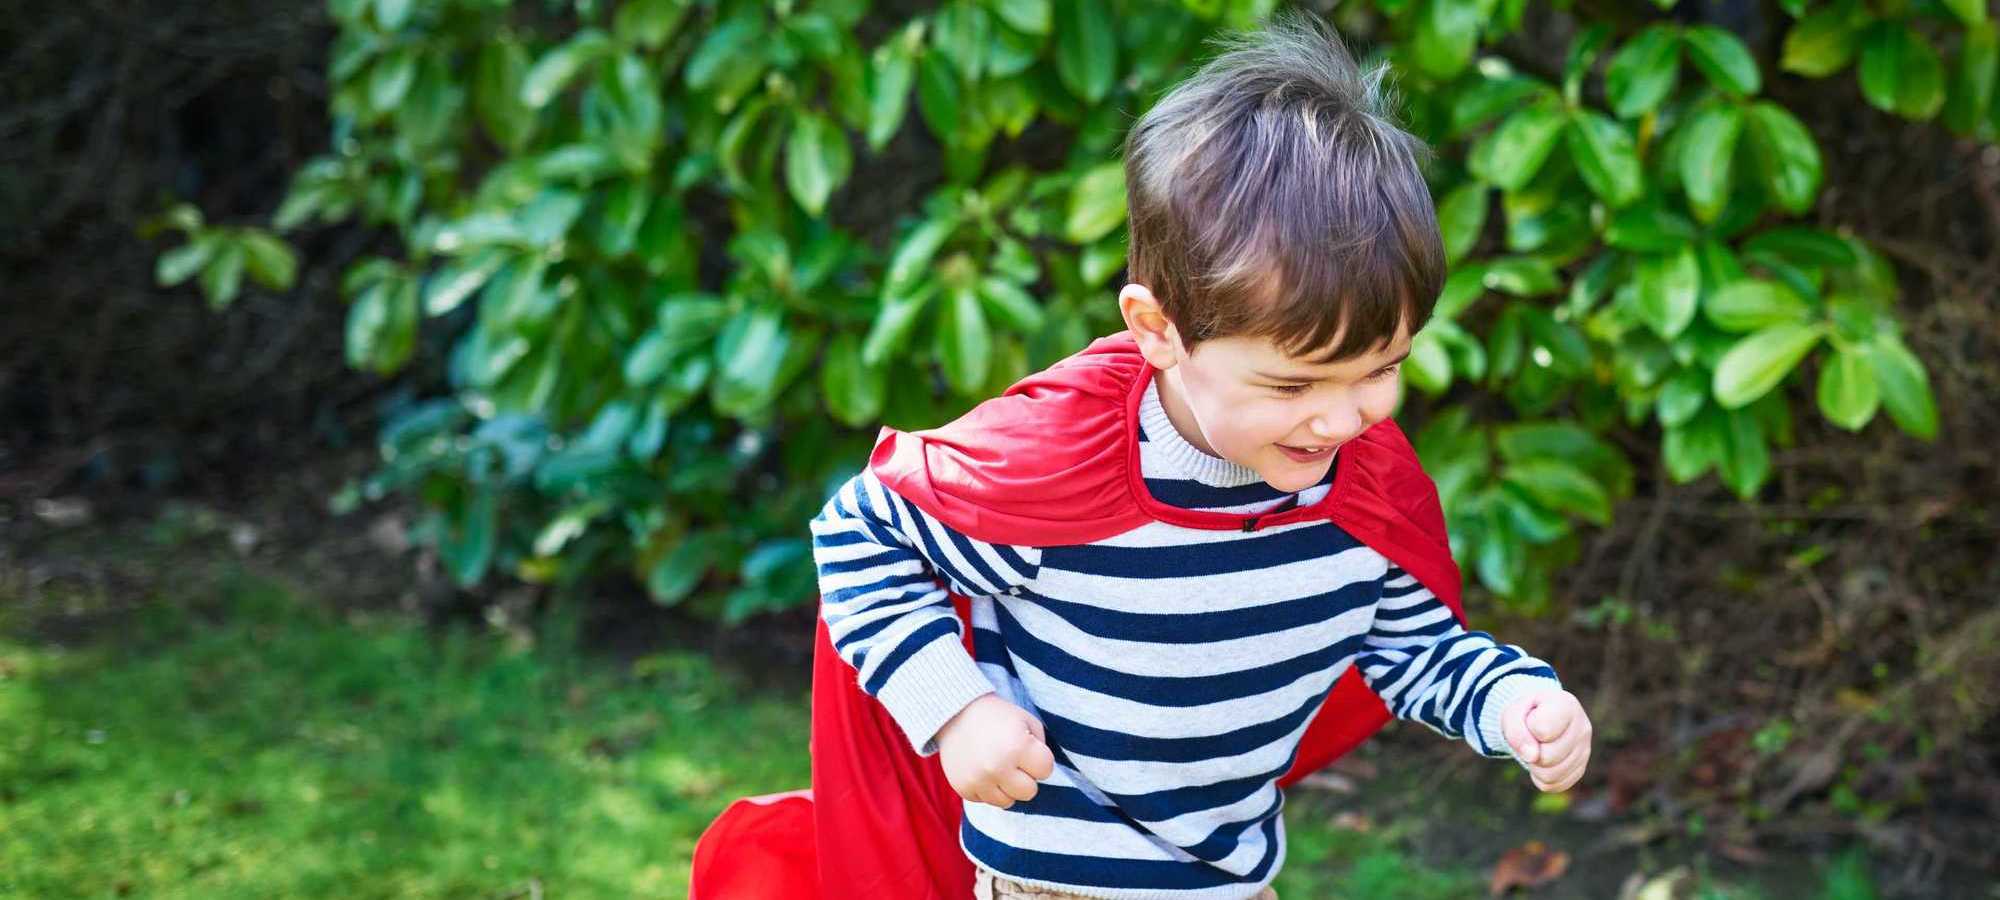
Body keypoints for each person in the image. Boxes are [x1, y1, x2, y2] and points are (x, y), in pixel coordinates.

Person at [688, 11, 1592, 900]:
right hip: (1053, 886)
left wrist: (1514, 705)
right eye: (1291, 386)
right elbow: (859, 538)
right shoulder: (1061, 469)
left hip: (1230, 881)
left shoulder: (1357, 499)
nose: (1340, 420)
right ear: (1158, 330)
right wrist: (955, 707)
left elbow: (1411, 648)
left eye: (1382, 369)